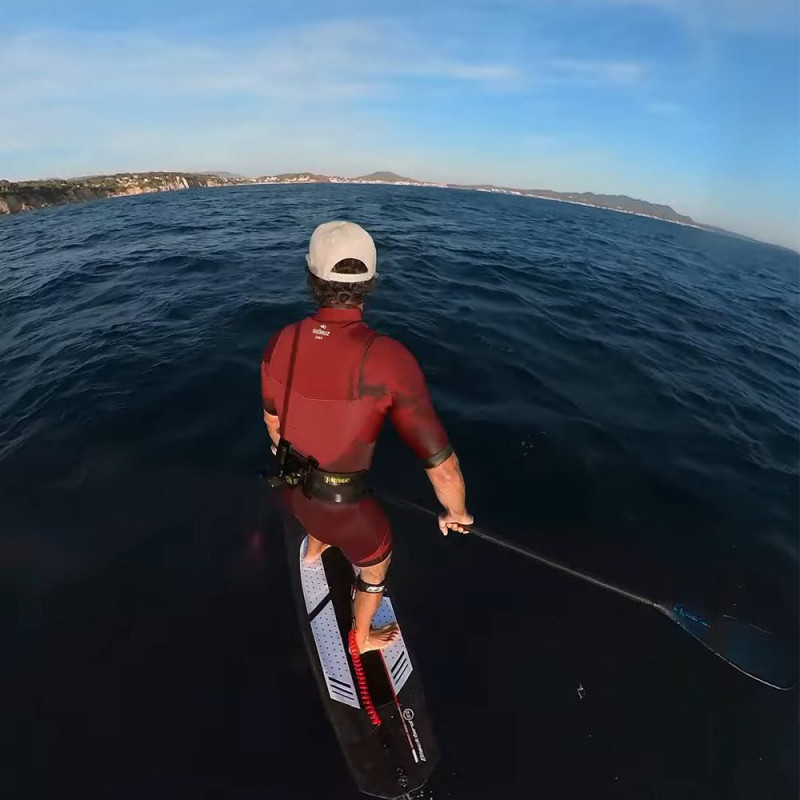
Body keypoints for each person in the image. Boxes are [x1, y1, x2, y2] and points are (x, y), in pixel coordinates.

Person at [261, 221, 472, 653]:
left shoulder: (281, 341)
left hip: (292, 491)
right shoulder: (390, 358)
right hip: (347, 513)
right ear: (370, 282)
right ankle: (361, 638)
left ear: (311, 275)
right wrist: (457, 513)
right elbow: (443, 467)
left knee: (317, 505)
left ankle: (314, 550)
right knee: (376, 562)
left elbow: (274, 428)